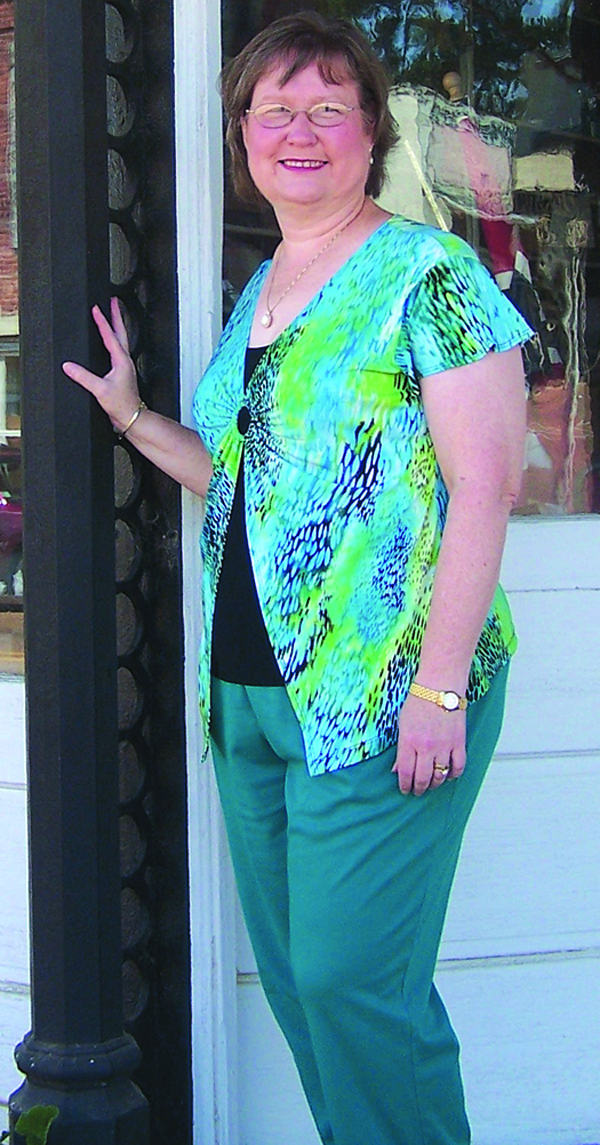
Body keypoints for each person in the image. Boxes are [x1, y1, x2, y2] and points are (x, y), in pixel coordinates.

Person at [63, 13, 532, 1144]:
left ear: (373, 130)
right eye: (274, 112)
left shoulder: (429, 273)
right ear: (243, 137)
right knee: (300, 986)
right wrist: (132, 418)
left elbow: (486, 486)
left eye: (329, 108)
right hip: (251, 700)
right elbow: (242, 476)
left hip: (381, 687)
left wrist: (440, 686)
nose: (300, 132)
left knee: (355, 985)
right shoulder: (265, 284)